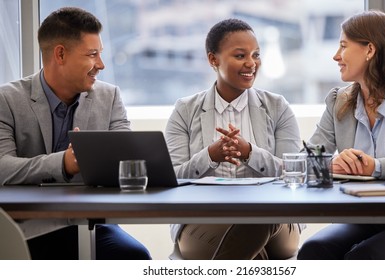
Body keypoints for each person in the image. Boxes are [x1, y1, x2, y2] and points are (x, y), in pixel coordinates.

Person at [0, 7, 151, 260]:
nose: (101, 65)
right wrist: (63, 163)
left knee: (136, 258)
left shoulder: (109, 96)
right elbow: (2, 166)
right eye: (92, 55)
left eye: (100, 54)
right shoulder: (7, 99)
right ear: (60, 54)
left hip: (92, 224)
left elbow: (127, 157)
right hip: (25, 228)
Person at [297, 10, 385, 260]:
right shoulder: (338, 101)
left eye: (343, 46)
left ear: (369, 50)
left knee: (361, 259)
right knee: (313, 251)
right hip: (362, 218)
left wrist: (375, 167)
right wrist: (329, 165)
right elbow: (305, 160)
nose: (336, 56)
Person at [165, 18, 303, 260]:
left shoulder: (278, 107)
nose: (251, 63)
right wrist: (209, 157)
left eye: (256, 55)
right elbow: (171, 179)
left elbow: (294, 175)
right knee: (254, 253)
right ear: (213, 59)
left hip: (277, 222)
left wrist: (250, 153)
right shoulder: (184, 111)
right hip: (203, 219)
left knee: (260, 218)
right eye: (240, 56)